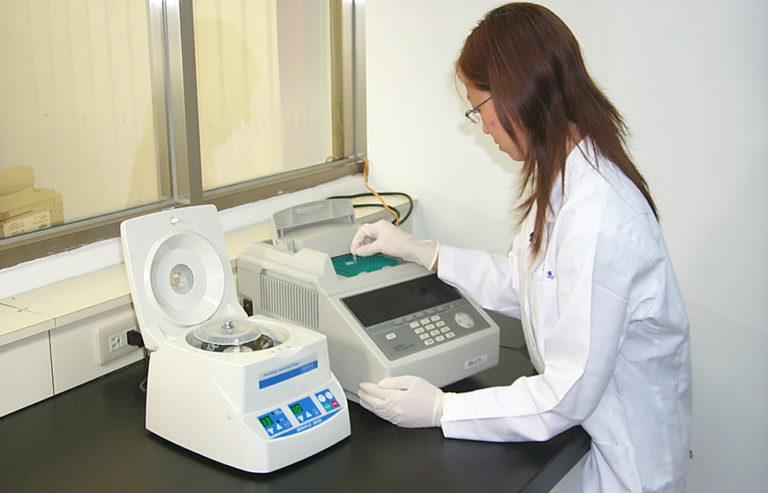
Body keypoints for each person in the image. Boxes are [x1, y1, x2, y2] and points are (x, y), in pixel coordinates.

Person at [350, 3, 692, 492]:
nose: (482, 126)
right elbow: (525, 283)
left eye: (479, 108)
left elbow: (564, 396)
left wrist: (443, 409)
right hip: (600, 439)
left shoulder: (599, 218)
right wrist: (422, 251)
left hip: (629, 466)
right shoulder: (566, 177)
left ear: (516, 95)